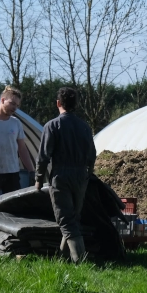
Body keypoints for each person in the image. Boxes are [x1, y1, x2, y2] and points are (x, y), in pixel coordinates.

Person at [35, 87, 97, 263]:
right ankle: (62, 260)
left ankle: (81, 261)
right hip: (81, 175)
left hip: (61, 175)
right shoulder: (84, 127)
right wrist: (88, 174)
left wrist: (39, 179)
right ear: (76, 104)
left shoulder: (52, 125)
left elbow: (43, 157)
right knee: (73, 219)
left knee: (65, 221)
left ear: (58, 103)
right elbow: (92, 154)